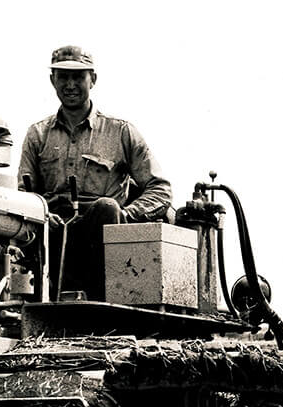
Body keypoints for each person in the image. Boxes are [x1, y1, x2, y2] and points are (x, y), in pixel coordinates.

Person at [18, 45, 173, 301]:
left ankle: (102, 303)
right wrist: (43, 216)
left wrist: (124, 216)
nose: (70, 84)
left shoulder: (120, 132)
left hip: (101, 232)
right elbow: (24, 195)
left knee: (106, 208)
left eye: (78, 77)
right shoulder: (37, 134)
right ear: (52, 80)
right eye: (63, 77)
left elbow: (160, 189)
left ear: (93, 80)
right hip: (53, 232)